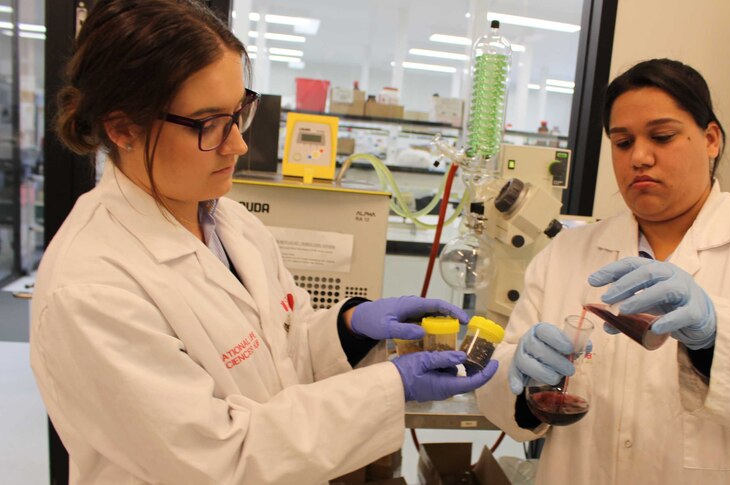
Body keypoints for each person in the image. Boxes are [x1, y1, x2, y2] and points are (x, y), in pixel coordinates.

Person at [30, 1, 497, 483]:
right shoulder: (91, 290)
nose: (237, 145)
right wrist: (391, 387)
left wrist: (349, 329)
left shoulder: (229, 223)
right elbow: (220, 460)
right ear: (122, 126)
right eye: (209, 124)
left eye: (238, 113)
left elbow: (280, 350)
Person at [476, 58, 730, 484]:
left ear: (711, 139)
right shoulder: (566, 253)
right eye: (622, 143)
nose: (639, 157)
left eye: (662, 136)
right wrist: (524, 381)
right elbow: (499, 393)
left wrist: (721, 339)